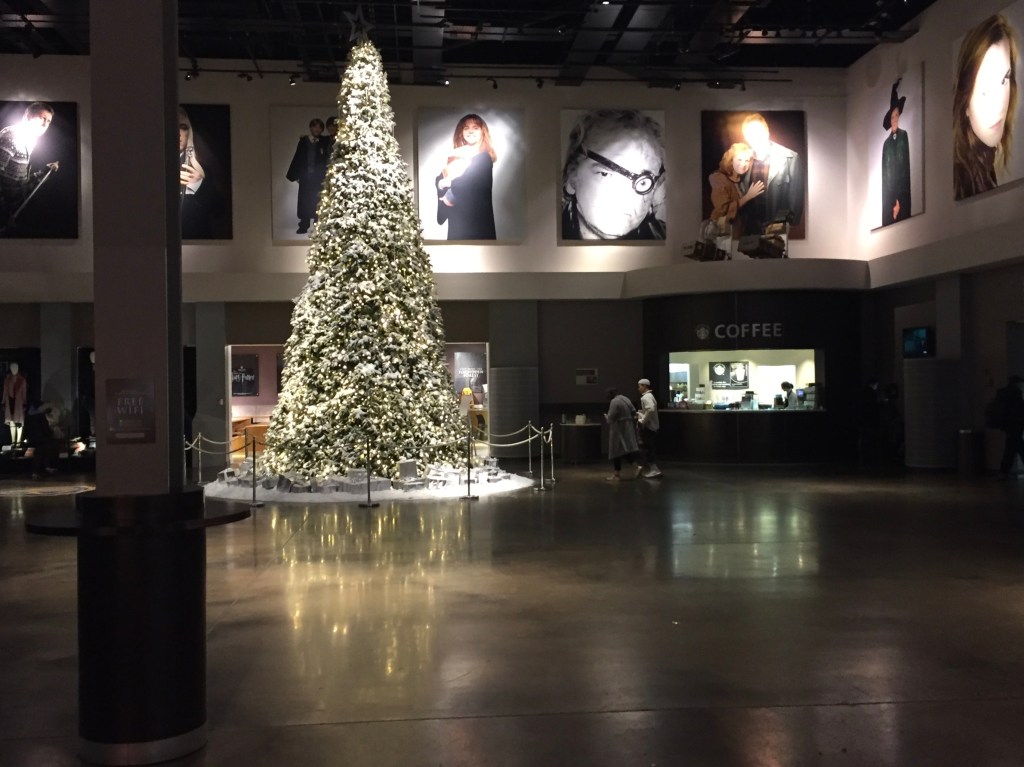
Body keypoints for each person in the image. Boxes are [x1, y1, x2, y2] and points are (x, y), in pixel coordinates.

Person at [561, 109, 666, 240]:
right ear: (572, 176)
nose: (625, 198)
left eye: (643, 182)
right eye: (604, 174)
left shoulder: (666, 237)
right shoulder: (546, 235)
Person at [953, 14, 1020, 200]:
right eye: (984, 89)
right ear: (965, 100)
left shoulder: (981, 165)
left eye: (1004, 79)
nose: (999, 105)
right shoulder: (964, 180)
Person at [735, 112, 803, 236]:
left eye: (758, 132)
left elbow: (796, 195)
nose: (755, 137)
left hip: (777, 226)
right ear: (746, 137)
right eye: (750, 134)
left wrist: (790, 223)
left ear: (767, 133)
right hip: (749, 227)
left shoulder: (789, 158)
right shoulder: (743, 159)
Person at [435, 113, 497, 240]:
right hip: (457, 224)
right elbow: (440, 179)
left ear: (482, 132)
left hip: (478, 225)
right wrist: (441, 184)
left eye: (475, 128)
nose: (470, 131)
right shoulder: (454, 157)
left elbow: (470, 184)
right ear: (461, 132)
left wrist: (450, 185)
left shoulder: (483, 159)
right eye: (466, 128)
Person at [0, 102, 59, 230]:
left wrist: (44, 172)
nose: (45, 124)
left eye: (48, 121)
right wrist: (3, 213)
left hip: (13, 209)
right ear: (28, 117)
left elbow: (19, 182)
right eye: (42, 118)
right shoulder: (11, 136)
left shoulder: (30, 140)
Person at [707, 142, 765, 236]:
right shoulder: (719, 178)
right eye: (739, 160)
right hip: (724, 232)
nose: (743, 164)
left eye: (747, 160)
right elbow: (722, 209)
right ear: (731, 160)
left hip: (741, 231)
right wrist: (748, 196)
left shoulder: (743, 178)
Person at [286, 117, 330, 234]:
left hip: (318, 177)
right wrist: (295, 174)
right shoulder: (303, 141)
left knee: (317, 200)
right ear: (310, 128)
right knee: (304, 201)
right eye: (315, 126)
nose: (317, 129)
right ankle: (303, 225)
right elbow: (298, 157)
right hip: (306, 176)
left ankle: (317, 225)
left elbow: (331, 139)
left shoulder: (324, 141)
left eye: (320, 127)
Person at [882, 78, 912, 226]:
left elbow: (904, 167)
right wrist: (893, 201)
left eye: (896, 115)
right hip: (890, 196)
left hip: (903, 191)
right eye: (892, 116)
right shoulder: (886, 144)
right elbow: (886, 175)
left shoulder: (903, 136)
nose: (894, 119)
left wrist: (899, 199)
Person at [604, 387, 639, 481]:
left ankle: (617, 474)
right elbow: (633, 410)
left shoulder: (614, 402)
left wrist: (607, 417)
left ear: (611, 394)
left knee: (616, 451)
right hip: (628, 427)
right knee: (624, 449)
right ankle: (635, 466)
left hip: (618, 428)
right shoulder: (625, 399)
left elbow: (611, 417)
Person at [995, 375, 1024, 477]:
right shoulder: (1016, 393)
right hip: (1016, 424)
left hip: (1008, 425)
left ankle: (1003, 471)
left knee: (1012, 447)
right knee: (1016, 446)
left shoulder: (1002, 393)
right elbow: (1019, 410)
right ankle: (1003, 470)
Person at [636, 378, 662, 478]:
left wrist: (643, 420)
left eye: (639, 386)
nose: (638, 388)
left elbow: (650, 409)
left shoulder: (645, 397)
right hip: (653, 426)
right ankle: (653, 468)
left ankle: (654, 469)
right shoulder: (650, 396)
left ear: (644, 386)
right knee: (649, 448)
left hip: (649, 427)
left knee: (648, 448)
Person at [3, 362, 27, 445]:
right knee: (12, 422)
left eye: (15, 367)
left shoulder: (22, 380)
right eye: (12, 368)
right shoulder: (7, 380)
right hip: (10, 402)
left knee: (19, 422)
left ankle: (18, 442)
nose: (14, 369)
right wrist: (3, 402)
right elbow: (5, 392)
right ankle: (13, 441)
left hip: (19, 403)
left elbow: (24, 393)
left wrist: (24, 403)